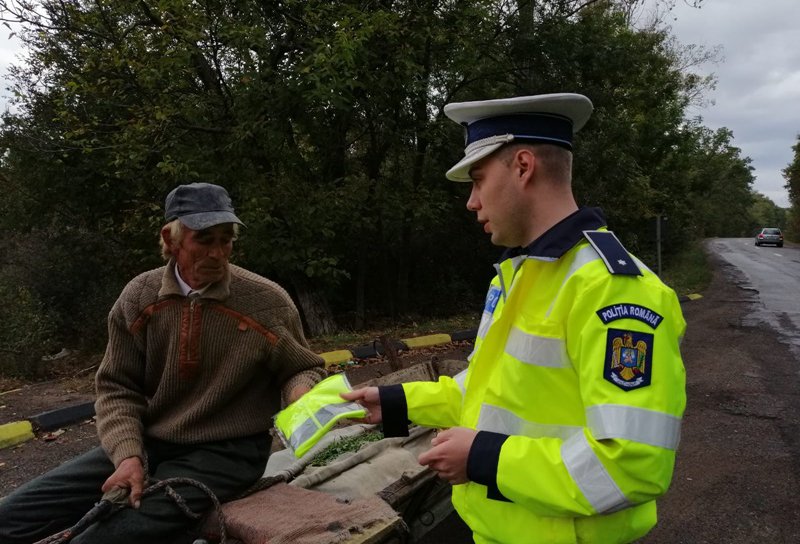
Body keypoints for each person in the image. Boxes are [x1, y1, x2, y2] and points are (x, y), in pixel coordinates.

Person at [342, 94, 687, 544]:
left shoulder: (613, 290)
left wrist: (484, 458)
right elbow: (486, 391)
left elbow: (632, 464)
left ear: (523, 166)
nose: (471, 202)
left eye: (478, 180)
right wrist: (394, 403)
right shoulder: (519, 274)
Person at [0, 182, 326, 544]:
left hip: (227, 454)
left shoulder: (266, 301)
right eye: (204, 239)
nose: (218, 253)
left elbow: (303, 366)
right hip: (150, 442)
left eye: (226, 239)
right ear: (172, 240)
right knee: (10, 519)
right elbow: (117, 388)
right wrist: (127, 457)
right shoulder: (139, 297)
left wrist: (301, 392)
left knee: (96, 539)